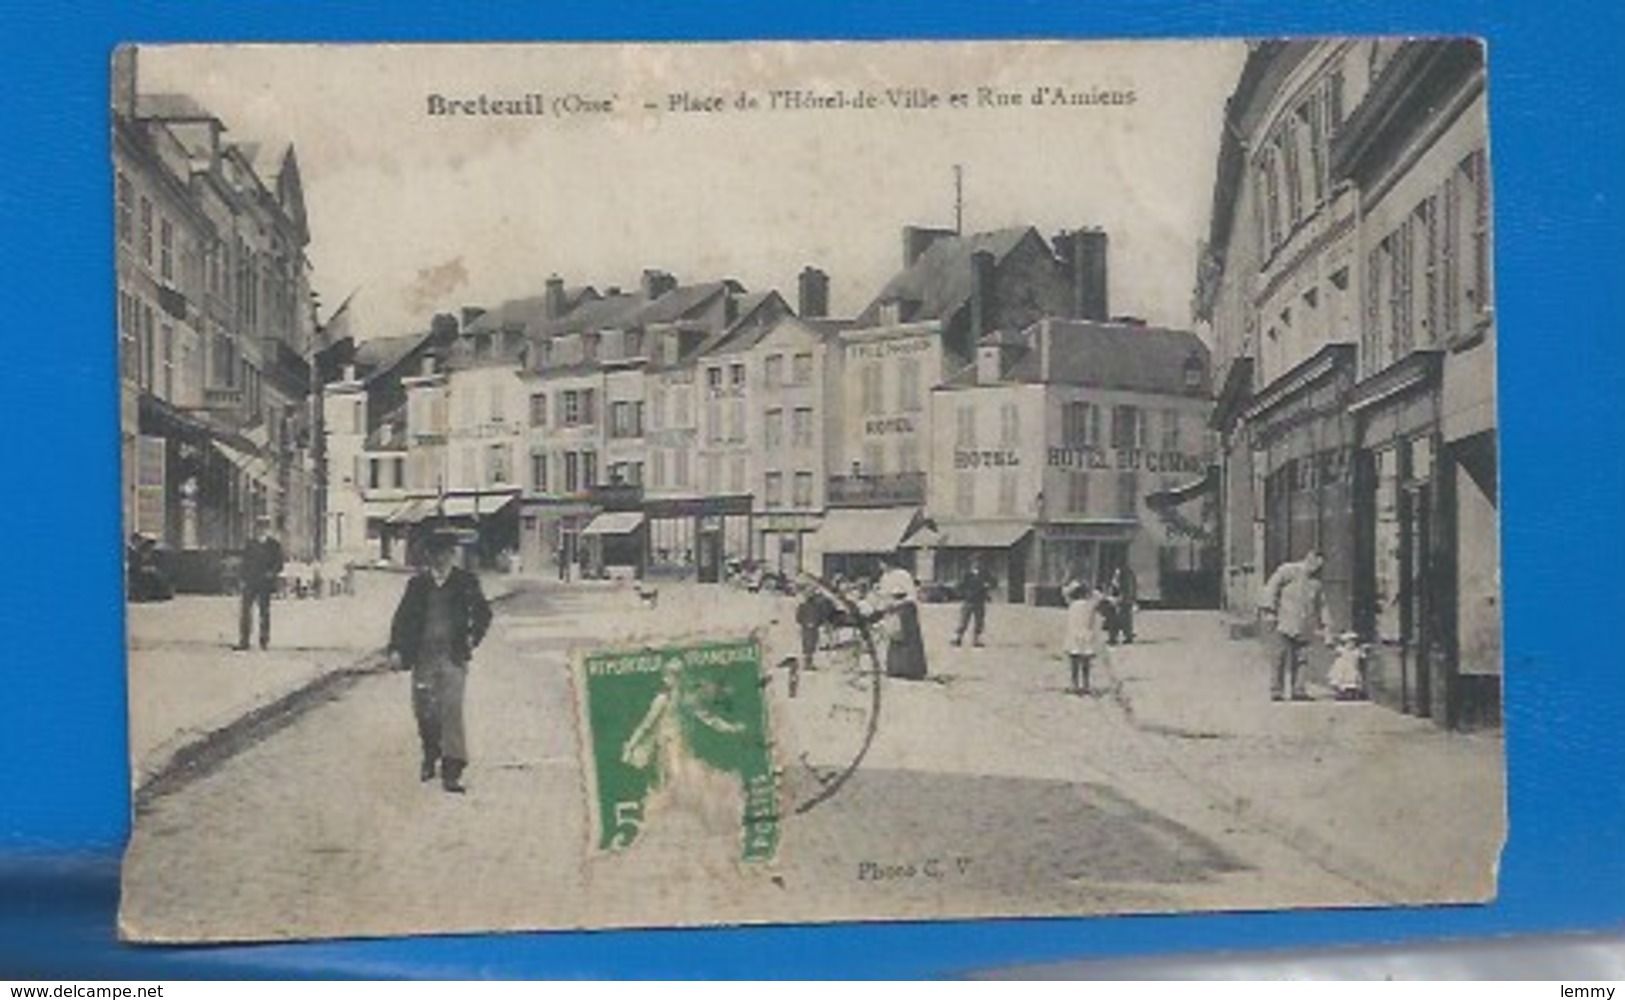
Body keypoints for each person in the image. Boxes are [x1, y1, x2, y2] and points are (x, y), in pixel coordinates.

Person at [388, 528, 493, 793]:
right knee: (425, 710)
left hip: (452, 657)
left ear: (452, 555)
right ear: (428, 556)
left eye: (446, 553)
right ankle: (430, 752)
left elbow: (484, 613)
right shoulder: (417, 585)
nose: (441, 559)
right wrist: (396, 649)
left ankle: (452, 770)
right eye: (435, 554)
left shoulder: (466, 582)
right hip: (423, 657)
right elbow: (402, 620)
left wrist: (473, 638)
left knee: (451, 711)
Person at [1258, 550, 1333, 702]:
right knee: (1279, 657)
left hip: (1305, 625)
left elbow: (1322, 605)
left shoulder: (1316, 583)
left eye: (1320, 566)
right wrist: (1269, 609)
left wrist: (1327, 626)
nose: (1316, 568)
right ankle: (1276, 690)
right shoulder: (1288, 570)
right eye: (1315, 563)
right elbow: (1272, 586)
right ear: (1308, 558)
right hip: (1284, 621)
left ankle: (1298, 690)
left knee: (1302, 659)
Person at [873, 556, 928, 680]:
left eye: (882, 563)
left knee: (908, 639)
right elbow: (883, 595)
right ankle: (896, 669)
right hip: (891, 608)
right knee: (895, 637)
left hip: (905, 609)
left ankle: (912, 670)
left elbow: (912, 595)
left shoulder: (903, 574)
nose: (881, 566)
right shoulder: (885, 577)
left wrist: (898, 603)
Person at [235, 517, 285, 651]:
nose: (262, 530)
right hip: (250, 582)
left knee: (264, 612)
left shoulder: (274, 545)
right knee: (245, 611)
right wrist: (242, 579)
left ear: (268, 529)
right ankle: (244, 641)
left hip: (265, 583)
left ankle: (264, 640)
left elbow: (279, 564)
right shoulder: (250, 544)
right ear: (256, 529)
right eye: (259, 527)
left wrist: (271, 573)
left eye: (265, 527)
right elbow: (244, 563)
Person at [792, 574, 838, 697]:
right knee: (808, 644)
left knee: (812, 643)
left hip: (813, 626)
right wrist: (806, 623)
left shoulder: (815, 605)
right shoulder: (805, 605)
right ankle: (807, 662)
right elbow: (798, 616)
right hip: (808, 626)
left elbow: (818, 615)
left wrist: (818, 622)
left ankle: (809, 662)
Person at [1063, 579, 1108, 695]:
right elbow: (1100, 598)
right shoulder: (1090, 605)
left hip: (1074, 636)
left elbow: (1064, 592)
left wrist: (1071, 585)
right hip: (1087, 636)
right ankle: (1086, 684)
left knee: (1074, 663)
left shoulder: (1072, 605)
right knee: (1086, 664)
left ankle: (1074, 684)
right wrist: (1092, 590)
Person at [951, 558, 995, 648]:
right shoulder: (967, 574)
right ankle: (958, 638)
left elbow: (994, 582)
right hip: (968, 600)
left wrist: (988, 586)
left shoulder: (985, 574)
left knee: (979, 621)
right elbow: (959, 586)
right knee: (963, 620)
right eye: (975, 562)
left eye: (979, 562)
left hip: (979, 600)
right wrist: (964, 594)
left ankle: (976, 639)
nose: (977, 564)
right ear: (972, 564)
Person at [1105, 564, 1138, 645]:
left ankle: (1116, 637)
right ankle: (1125, 636)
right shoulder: (1128, 574)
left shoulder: (1124, 575)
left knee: (1118, 619)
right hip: (1123, 601)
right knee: (1124, 619)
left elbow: (1117, 588)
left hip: (1122, 601)